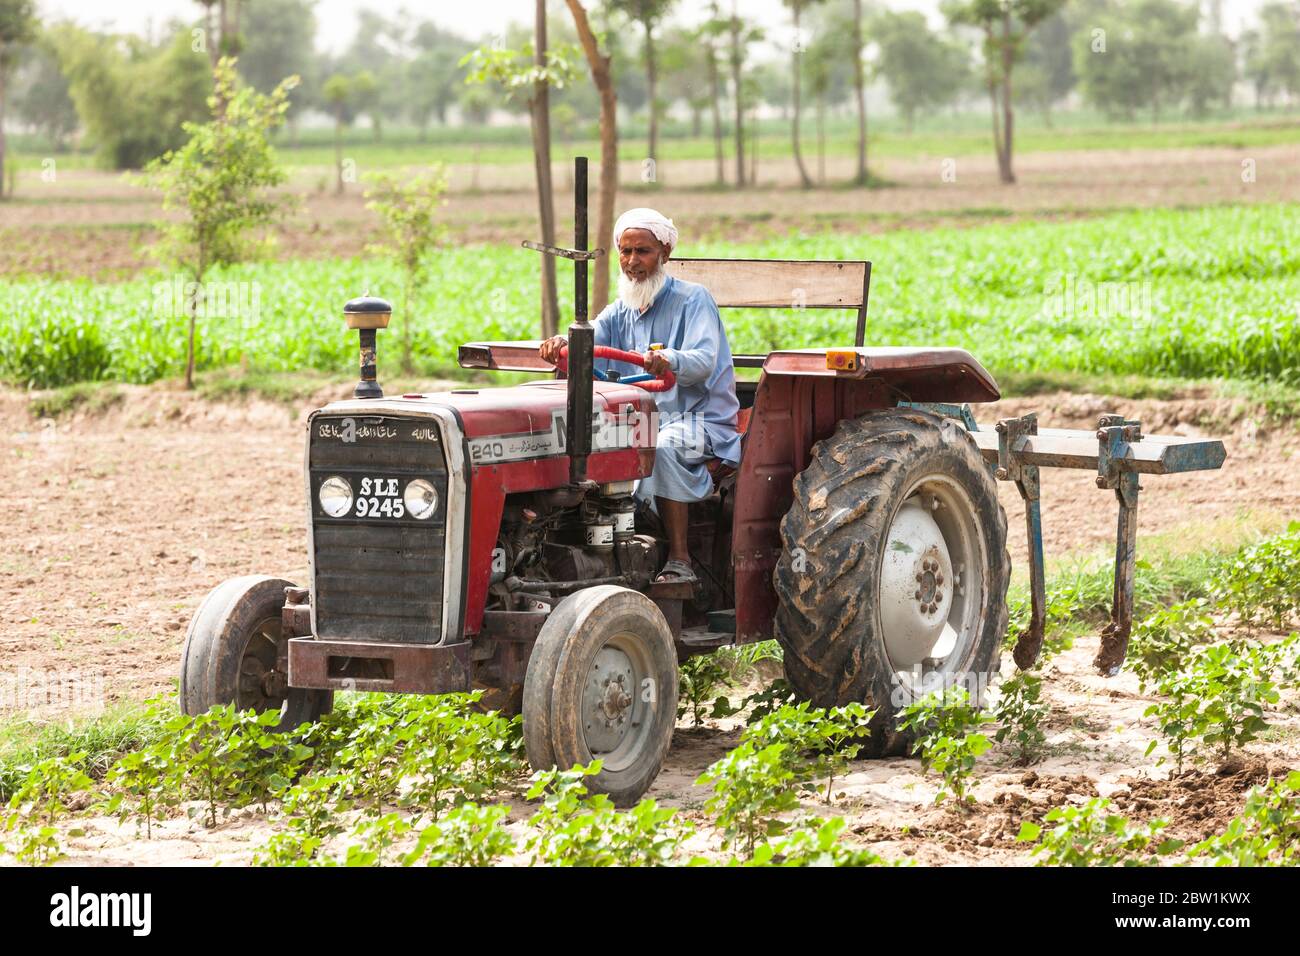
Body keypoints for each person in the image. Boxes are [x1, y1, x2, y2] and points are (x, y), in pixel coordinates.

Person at [539, 207, 741, 585]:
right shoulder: (621, 310)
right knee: (573, 445)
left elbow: (702, 362)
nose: (633, 262)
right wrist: (564, 344)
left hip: (699, 422)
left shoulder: (694, 300)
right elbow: (590, 339)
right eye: (626, 251)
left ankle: (680, 560)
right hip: (639, 422)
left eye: (643, 251)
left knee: (661, 447)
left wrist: (668, 361)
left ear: (664, 253)